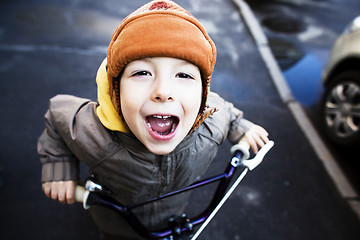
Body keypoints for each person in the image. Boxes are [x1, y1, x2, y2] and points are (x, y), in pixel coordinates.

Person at [38, 0, 269, 239]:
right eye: (142, 73)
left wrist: (240, 127)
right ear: (115, 90)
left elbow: (225, 112)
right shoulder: (95, 133)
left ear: (203, 95)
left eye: (184, 74)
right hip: (116, 224)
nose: (163, 91)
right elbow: (58, 115)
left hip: (174, 218)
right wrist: (59, 169)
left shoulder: (210, 124)